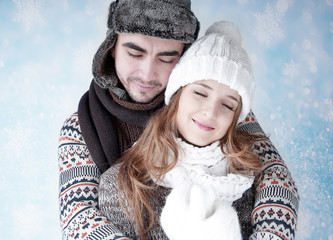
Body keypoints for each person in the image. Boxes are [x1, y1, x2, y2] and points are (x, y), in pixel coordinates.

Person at [58, 1, 299, 239]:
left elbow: (276, 178)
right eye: (134, 53)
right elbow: (79, 217)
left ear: (184, 56)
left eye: (166, 59)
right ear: (112, 47)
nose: (147, 74)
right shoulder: (80, 127)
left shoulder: (210, 104)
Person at [99, 21, 265, 240]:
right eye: (200, 93)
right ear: (177, 96)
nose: (210, 112)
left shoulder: (246, 181)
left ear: (236, 118)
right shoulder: (124, 185)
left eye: (228, 105)